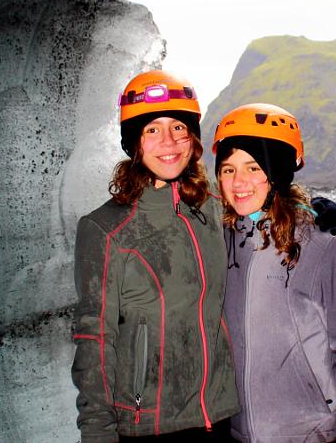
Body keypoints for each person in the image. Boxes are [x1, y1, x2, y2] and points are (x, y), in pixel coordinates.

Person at [71, 70, 239, 441]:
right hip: (150, 426)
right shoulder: (106, 228)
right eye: (152, 130)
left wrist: (312, 211)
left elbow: (262, 208)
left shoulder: (212, 206)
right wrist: (97, 433)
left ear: (192, 138)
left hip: (223, 417)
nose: (168, 141)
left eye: (178, 127)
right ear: (135, 143)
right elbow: (95, 338)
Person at [212, 103, 336, 443]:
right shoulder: (221, 243)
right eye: (228, 169)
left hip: (310, 435)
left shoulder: (323, 250)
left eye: (253, 167)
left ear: (277, 173)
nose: (238, 182)